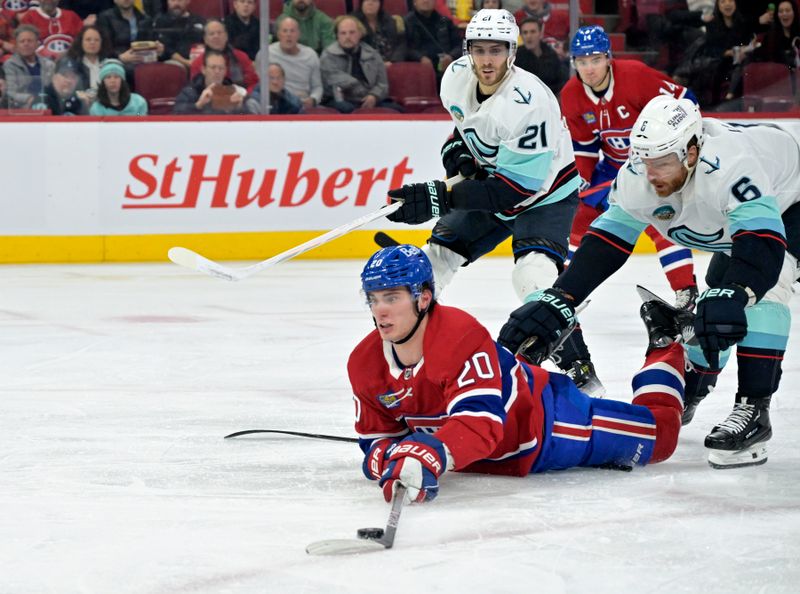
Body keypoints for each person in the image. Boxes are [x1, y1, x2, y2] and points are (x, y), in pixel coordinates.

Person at [498, 95, 800, 470]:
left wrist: (740, 291)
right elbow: (608, 242)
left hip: (790, 204)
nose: (651, 173)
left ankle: (755, 408)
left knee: (760, 294)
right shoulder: (638, 173)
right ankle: (697, 383)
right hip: (736, 218)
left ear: (692, 151)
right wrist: (561, 297)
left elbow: (762, 242)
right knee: (714, 305)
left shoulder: (732, 167)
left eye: (662, 162)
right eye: (644, 161)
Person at [350, 244, 686, 504]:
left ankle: (665, 342)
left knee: (663, 435)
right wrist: (391, 461)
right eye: (374, 299)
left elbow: (480, 425)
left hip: (547, 425)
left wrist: (428, 455)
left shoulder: (458, 335)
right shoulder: (364, 362)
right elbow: (377, 439)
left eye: (392, 297)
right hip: (479, 456)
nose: (380, 310)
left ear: (422, 298)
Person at [385, 10, 604, 395]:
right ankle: (408, 352)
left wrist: (440, 198)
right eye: (479, 50)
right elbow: (465, 129)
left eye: (496, 50)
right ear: (468, 51)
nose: (487, 60)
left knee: (533, 276)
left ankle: (579, 368)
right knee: (435, 258)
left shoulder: (529, 102)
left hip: (545, 195)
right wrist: (459, 155)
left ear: (512, 52)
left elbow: (513, 192)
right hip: (494, 183)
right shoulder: (455, 78)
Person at [560, 26, 698, 312]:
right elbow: (585, 149)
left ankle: (686, 289)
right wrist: (581, 179)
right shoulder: (571, 94)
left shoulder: (635, 76)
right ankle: (567, 291)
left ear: (609, 58)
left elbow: (686, 100)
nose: (589, 68)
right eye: (582, 61)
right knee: (580, 215)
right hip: (613, 168)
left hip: (654, 165)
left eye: (595, 59)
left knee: (661, 217)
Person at [319, 15, 400, 113]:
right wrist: (365, 93)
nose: (347, 37)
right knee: (347, 109)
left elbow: (382, 83)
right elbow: (340, 83)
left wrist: (374, 96)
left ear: (360, 34)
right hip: (341, 99)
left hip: (370, 98)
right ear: (337, 36)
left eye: (352, 32)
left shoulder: (373, 54)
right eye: (343, 33)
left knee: (397, 110)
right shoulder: (328, 55)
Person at [256, 16, 323, 111]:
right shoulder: (265, 54)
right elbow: (259, 84)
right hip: (276, 104)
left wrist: (313, 99)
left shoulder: (311, 55)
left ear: (299, 34)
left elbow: (317, 87)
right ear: (278, 34)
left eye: (292, 31)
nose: (288, 35)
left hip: (303, 104)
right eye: (285, 31)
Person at [174, 48, 256, 114]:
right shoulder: (190, 91)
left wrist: (240, 108)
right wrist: (198, 105)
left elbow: (251, 117)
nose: (217, 71)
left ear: (225, 71)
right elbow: (177, 113)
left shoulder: (234, 90)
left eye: (221, 68)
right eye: (213, 67)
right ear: (203, 69)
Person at [189, 19, 259, 93]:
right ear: (205, 39)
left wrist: (244, 95)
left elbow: (254, 83)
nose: (216, 36)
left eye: (219, 33)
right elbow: (195, 89)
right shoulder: (197, 63)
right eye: (211, 34)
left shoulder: (241, 57)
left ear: (226, 36)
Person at [404, 0, 462, 82]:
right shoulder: (406, 23)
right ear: (414, 2)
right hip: (419, 72)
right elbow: (405, 48)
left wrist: (451, 56)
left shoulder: (445, 21)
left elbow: (459, 45)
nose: (426, 1)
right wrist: (420, 58)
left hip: (446, 69)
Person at [2, 25, 56, 109]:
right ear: (16, 45)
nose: (26, 44)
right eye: (22, 41)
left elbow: (54, 89)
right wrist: (30, 98)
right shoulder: (10, 65)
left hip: (48, 105)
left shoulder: (49, 64)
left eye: (30, 41)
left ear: (37, 44)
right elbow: (11, 91)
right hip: (20, 108)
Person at [144, 0, 206, 70]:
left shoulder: (199, 21)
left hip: (199, 61)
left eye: (180, 0)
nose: (176, 4)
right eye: (173, 0)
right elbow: (165, 49)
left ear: (188, 1)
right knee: (174, 67)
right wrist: (186, 62)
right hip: (173, 63)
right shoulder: (160, 22)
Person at [514, 17, 566, 96]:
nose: (529, 36)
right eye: (525, 32)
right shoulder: (515, 58)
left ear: (540, 33)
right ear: (521, 35)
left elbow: (560, 81)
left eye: (533, 32)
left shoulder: (551, 54)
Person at [19, 0, 84, 59]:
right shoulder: (29, 17)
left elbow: (82, 39)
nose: (48, 1)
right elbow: (26, 43)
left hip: (71, 58)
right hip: (42, 60)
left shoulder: (71, 16)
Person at [64, 24, 112, 104]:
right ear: (81, 42)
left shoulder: (109, 64)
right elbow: (64, 90)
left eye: (96, 40)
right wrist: (77, 95)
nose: (92, 43)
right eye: (88, 40)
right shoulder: (71, 64)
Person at [351, 0, 407, 66]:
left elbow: (401, 43)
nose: (370, 3)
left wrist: (393, 61)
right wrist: (378, 64)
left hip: (390, 62)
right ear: (361, 4)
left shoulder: (388, 20)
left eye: (374, 1)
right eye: (366, 0)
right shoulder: (352, 22)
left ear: (380, 4)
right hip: (365, 65)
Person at [754, 0, 800, 69]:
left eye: (788, 10)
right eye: (781, 11)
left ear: (794, 13)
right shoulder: (770, 38)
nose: (784, 14)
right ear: (777, 15)